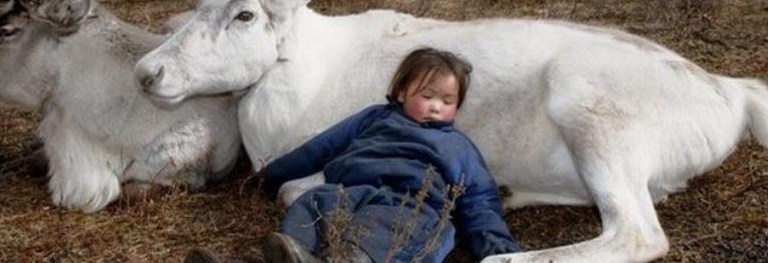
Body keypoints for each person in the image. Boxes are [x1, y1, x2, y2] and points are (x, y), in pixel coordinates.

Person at [187, 47, 519, 263]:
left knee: (386, 230)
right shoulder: (374, 118)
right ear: (402, 91)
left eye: (446, 101)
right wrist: (269, 176)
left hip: (411, 206)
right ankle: (282, 258)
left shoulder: (458, 146)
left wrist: (501, 253)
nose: (435, 105)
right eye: (427, 95)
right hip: (347, 192)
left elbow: (480, 201)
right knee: (313, 204)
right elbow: (322, 148)